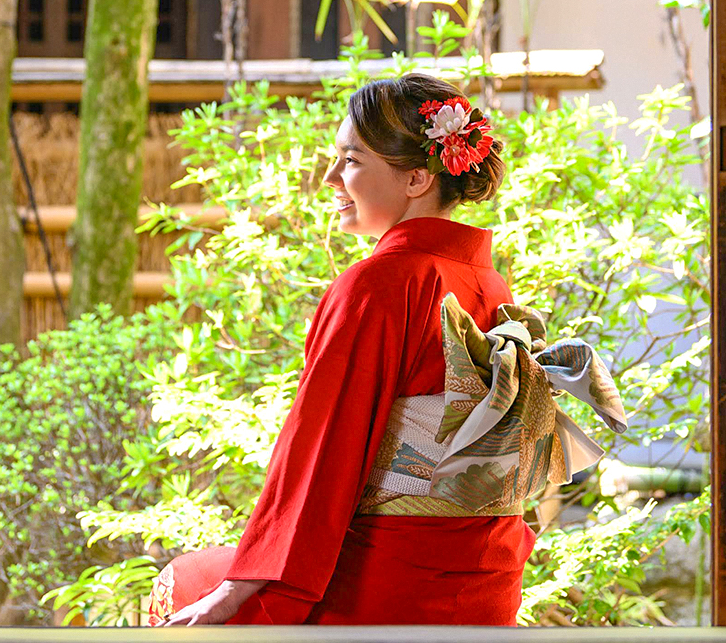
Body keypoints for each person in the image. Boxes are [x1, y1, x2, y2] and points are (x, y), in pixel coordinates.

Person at [148, 73, 627, 627]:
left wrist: (242, 586)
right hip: (482, 578)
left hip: (392, 584)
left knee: (183, 584)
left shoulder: (380, 283)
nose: (329, 179)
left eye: (350, 161)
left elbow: (324, 450)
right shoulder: (484, 281)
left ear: (418, 178)